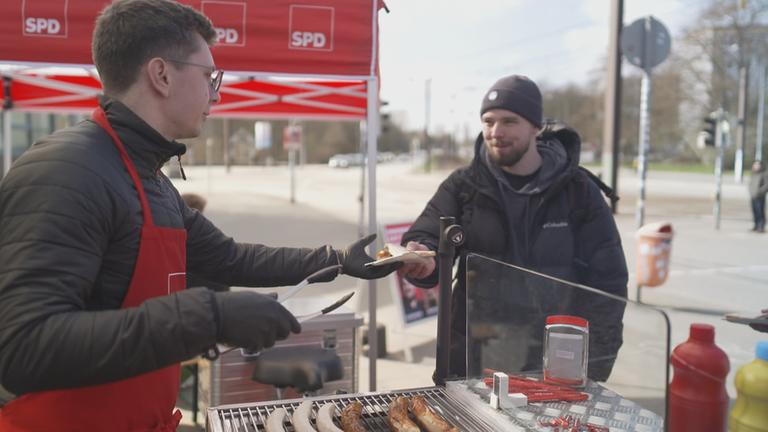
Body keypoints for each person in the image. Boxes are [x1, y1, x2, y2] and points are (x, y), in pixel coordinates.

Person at [0, 1, 397, 430]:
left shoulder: (150, 177)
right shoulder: (68, 170)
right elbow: (22, 347)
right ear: (162, 75)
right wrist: (211, 316)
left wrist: (336, 259)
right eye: (209, 77)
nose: (216, 93)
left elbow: (229, 258)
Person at [399, 75, 628, 382]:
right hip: (473, 353)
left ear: (535, 125)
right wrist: (421, 258)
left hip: (549, 359)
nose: (496, 132)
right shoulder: (464, 185)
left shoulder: (577, 190)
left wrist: (594, 367)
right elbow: (426, 233)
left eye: (509, 121)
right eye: (488, 121)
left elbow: (608, 283)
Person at [748, 160, 768, 233]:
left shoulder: (764, 174)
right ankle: (756, 225)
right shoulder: (753, 174)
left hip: (760, 196)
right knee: (755, 211)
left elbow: (766, 185)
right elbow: (751, 184)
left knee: (760, 211)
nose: (756, 166)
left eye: (758, 165)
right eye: (755, 165)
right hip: (753, 196)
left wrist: (759, 191)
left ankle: (761, 226)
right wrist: (751, 191)